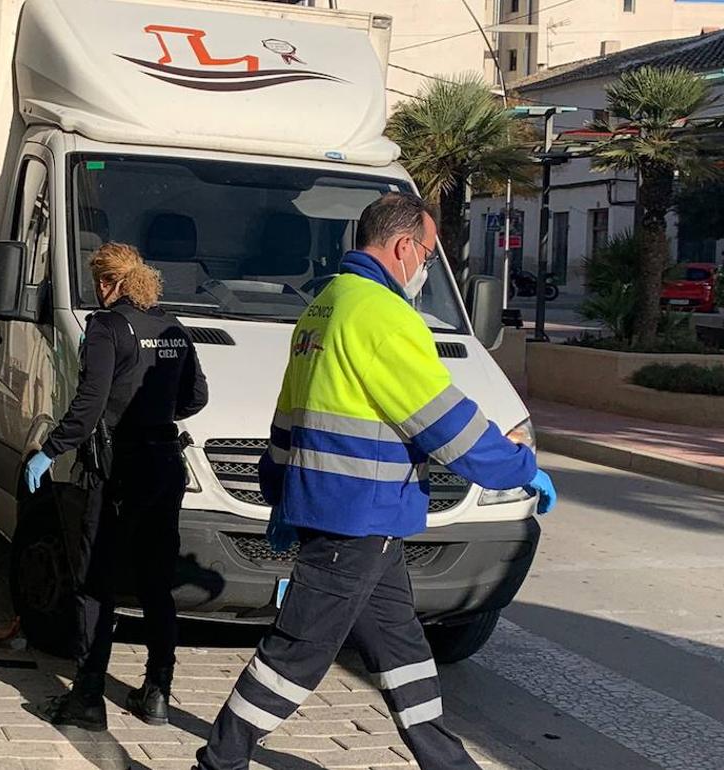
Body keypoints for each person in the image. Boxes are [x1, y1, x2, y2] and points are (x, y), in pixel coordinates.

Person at [195, 193, 557, 770]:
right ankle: (221, 759)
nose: (427, 267)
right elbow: (445, 423)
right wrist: (519, 467)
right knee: (299, 651)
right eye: (430, 254)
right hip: (357, 514)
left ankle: (446, 761)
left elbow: (289, 412)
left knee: (399, 642)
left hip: (357, 513)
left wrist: (282, 491)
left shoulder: (327, 303)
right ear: (403, 246)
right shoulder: (386, 316)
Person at [24, 242, 209, 731]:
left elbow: (89, 404)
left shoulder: (106, 327)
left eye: (97, 283)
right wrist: (154, 414)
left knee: (94, 585)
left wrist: (50, 448)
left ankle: (86, 699)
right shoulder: (171, 326)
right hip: (165, 465)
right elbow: (196, 395)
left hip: (116, 470)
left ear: (109, 283)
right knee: (155, 584)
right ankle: (157, 694)